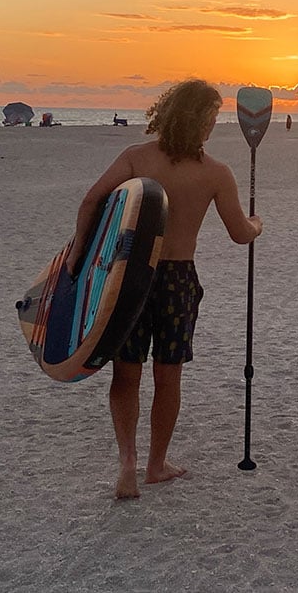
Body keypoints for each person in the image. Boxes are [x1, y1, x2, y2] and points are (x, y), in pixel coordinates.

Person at [68, 79, 263, 499]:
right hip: (177, 281)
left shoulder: (136, 158)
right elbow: (240, 234)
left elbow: (91, 201)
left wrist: (77, 254)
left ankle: (127, 463)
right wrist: (258, 225)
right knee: (168, 375)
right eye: (210, 118)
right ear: (196, 120)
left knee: (126, 373)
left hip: (129, 279)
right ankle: (156, 465)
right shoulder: (215, 172)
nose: (213, 127)